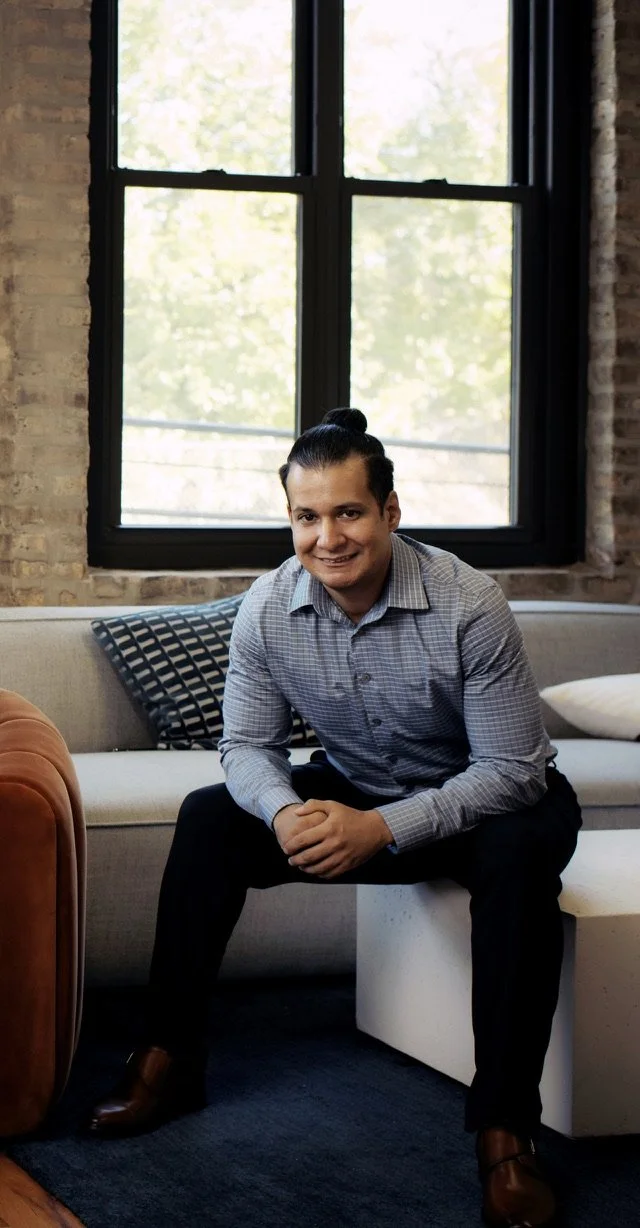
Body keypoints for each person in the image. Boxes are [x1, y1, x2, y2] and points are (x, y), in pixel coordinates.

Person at [90, 408, 581, 1227]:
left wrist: (383, 829)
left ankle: (506, 1132)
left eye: (348, 512)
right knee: (211, 820)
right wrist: (285, 816)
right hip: (354, 785)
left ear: (390, 511)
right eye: (306, 517)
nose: (328, 538)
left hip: (485, 801)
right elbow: (246, 746)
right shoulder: (266, 607)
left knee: (522, 857)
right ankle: (168, 1059)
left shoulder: (469, 605)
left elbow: (512, 770)